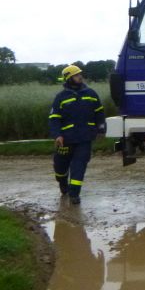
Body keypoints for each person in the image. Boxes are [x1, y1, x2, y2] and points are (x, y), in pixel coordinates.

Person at [48, 64, 106, 205]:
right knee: (60, 167)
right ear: (68, 78)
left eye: (80, 74)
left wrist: (101, 129)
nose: (80, 76)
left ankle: (74, 194)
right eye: (76, 75)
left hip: (85, 138)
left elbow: (99, 112)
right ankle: (62, 183)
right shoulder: (60, 97)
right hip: (66, 139)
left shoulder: (91, 94)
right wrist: (57, 135)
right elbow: (54, 118)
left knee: (79, 166)